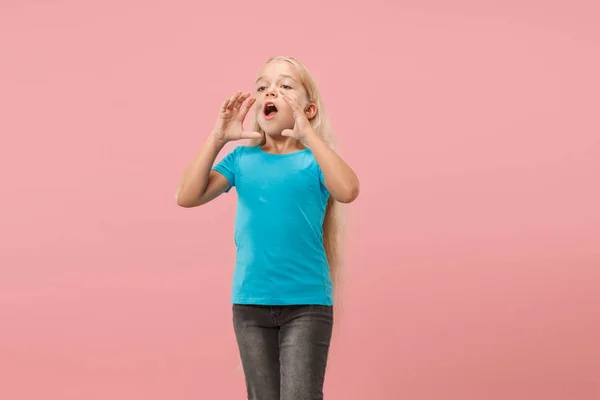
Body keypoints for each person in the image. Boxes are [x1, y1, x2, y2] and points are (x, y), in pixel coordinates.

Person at [175, 56, 359, 400]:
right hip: (250, 304)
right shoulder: (242, 160)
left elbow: (348, 189)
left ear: (310, 110)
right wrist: (218, 137)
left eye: (285, 86)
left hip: (306, 304)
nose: (270, 90)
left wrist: (310, 136)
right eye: (262, 86)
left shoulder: (314, 160)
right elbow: (186, 196)